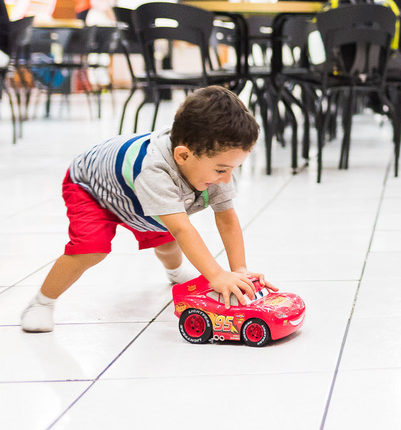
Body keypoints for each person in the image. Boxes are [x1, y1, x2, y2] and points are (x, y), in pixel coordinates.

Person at [21, 86, 270, 333]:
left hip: (135, 194)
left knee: (167, 240)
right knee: (91, 249)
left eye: (233, 169)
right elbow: (183, 229)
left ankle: (174, 272)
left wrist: (240, 270)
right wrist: (216, 275)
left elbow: (226, 218)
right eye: (221, 170)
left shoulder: (215, 165)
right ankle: (42, 302)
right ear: (183, 156)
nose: (227, 179)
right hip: (92, 188)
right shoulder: (153, 170)